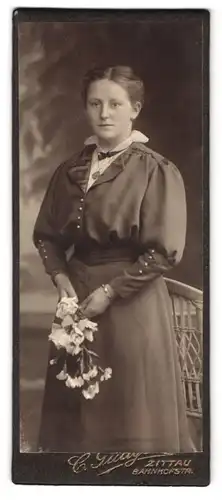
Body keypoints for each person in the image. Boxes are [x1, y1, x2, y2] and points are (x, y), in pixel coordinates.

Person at [33, 65, 193, 453]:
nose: (105, 113)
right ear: (86, 109)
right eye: (96, 103)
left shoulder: (155, 169)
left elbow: (165, 250)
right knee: (75, 427)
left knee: (130, 414)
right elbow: (46, 236)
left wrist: (111, 290)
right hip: (75, 302)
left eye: (116, 104)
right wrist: (60, 279)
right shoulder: (69, 170)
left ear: (134, 109)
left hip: (131, 306)